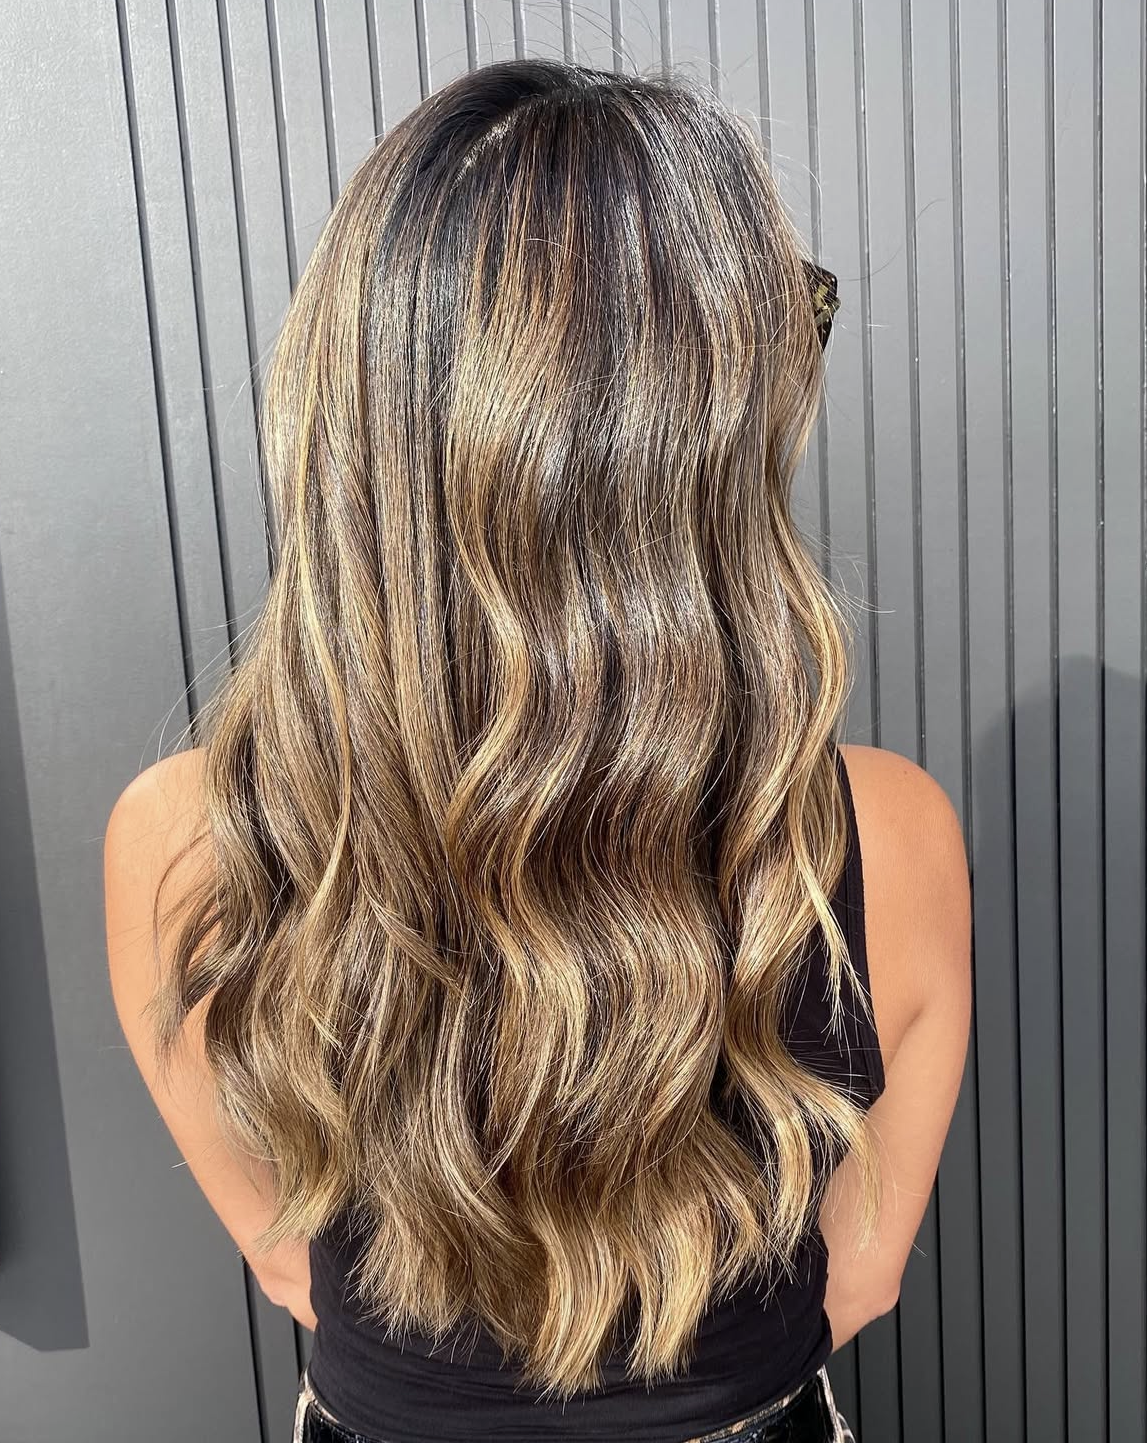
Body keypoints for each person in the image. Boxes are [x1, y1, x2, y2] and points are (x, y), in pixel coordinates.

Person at [104, 57, 972, 1443]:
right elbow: (856, 1274)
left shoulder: (184, 842)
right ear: (701, 439)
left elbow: (284, 1258)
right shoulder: (882, 835)